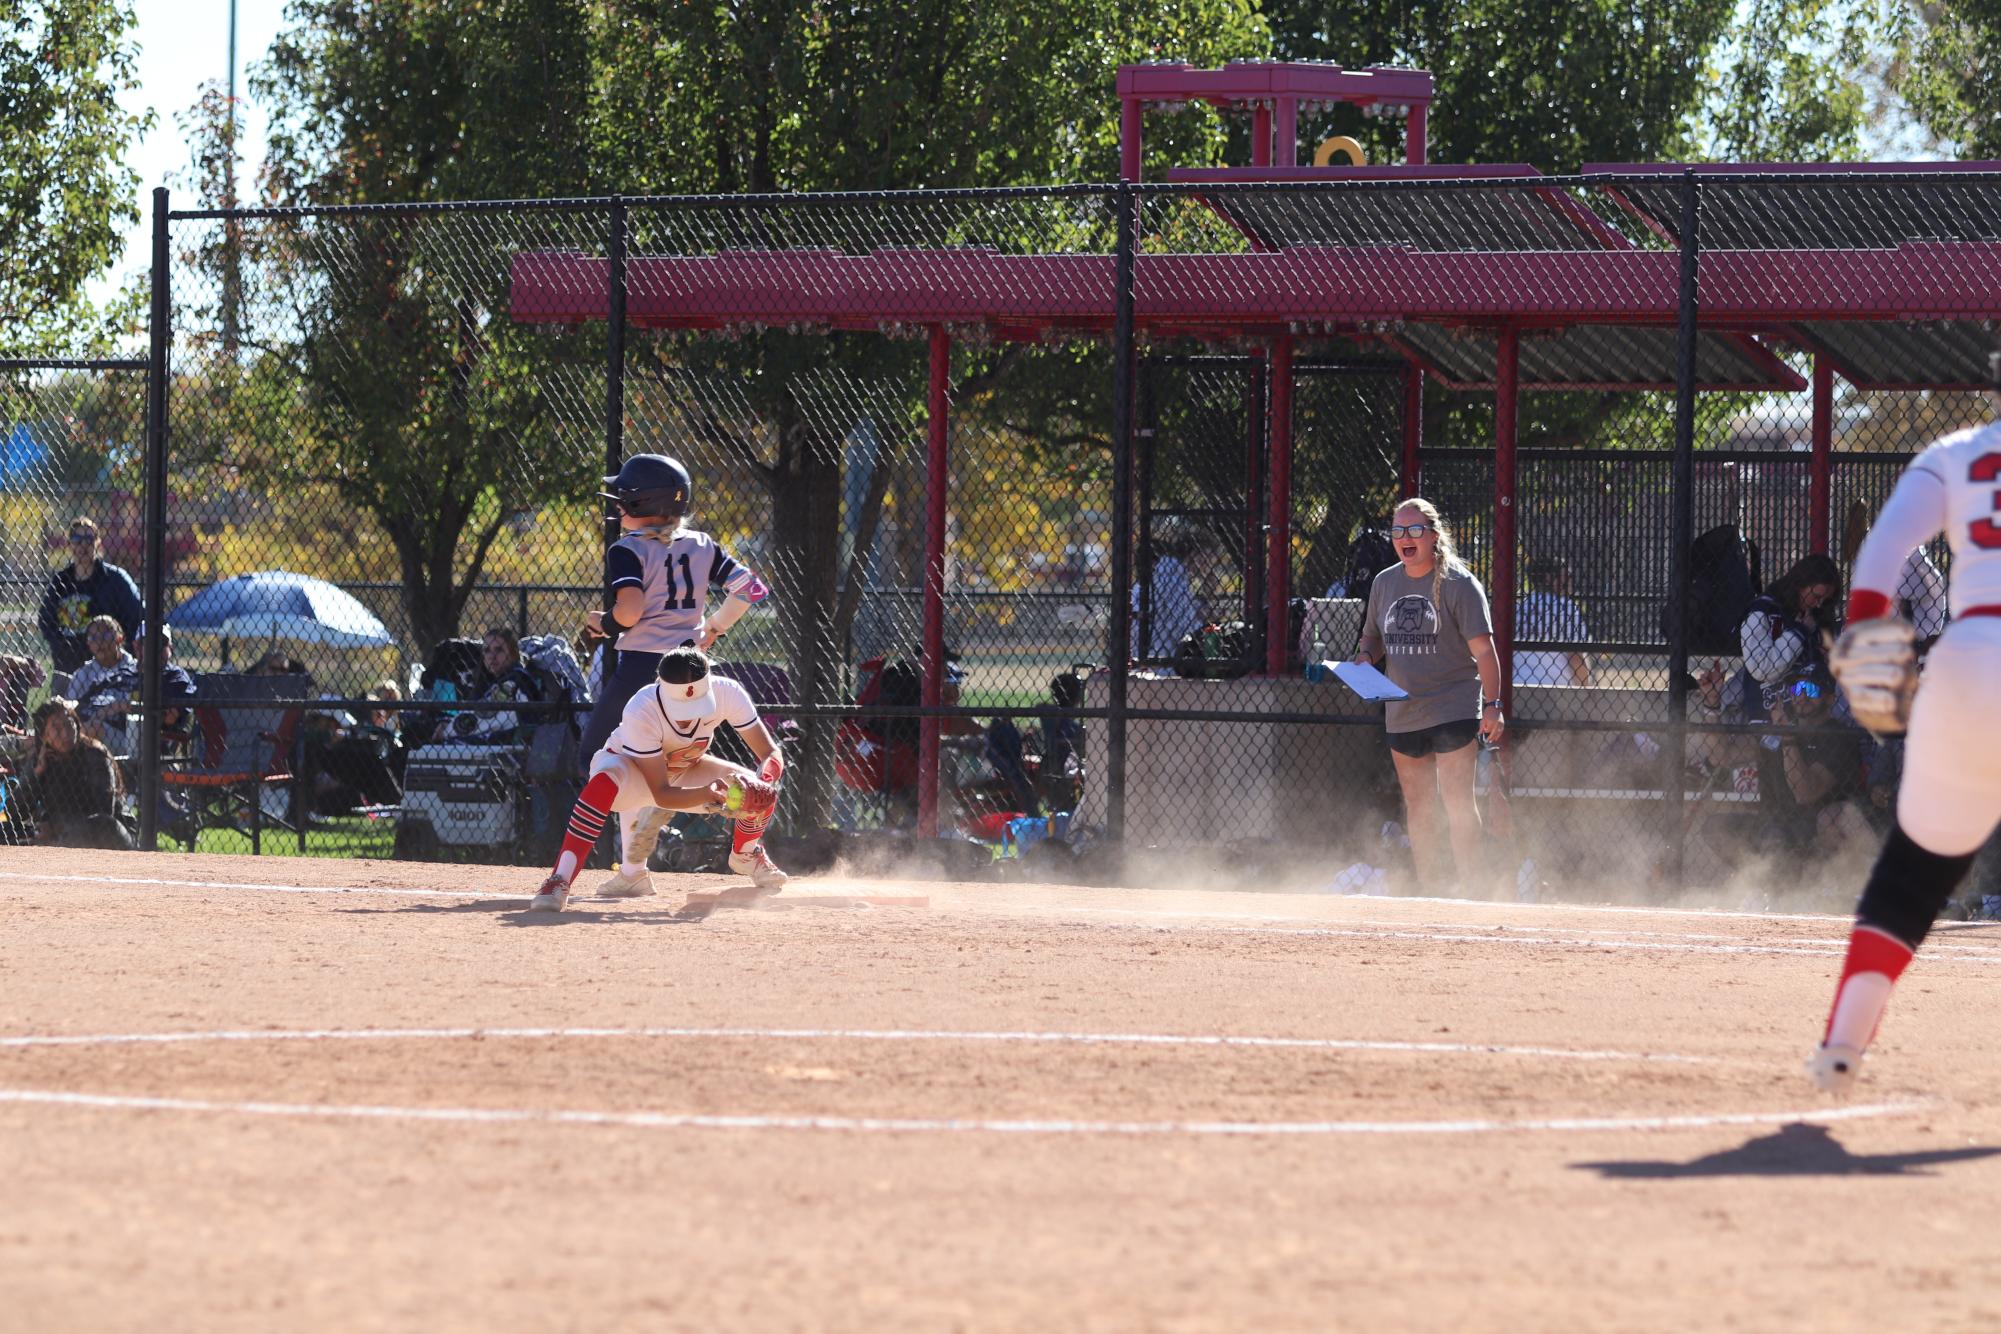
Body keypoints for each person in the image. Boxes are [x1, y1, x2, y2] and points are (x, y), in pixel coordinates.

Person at [1809, 349, 2001, 1093]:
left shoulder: (1955, 454)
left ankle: (1839, 1050)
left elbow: (1883, 548)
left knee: (1913, 877)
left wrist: (1860, 631)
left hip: (1966, 659)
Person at [575, 454, 769, 895]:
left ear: (644, 501)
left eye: (624, 498)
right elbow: (749, 589)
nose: (618, 506)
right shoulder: (702, 544)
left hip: (642, 668)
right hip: (693, 672)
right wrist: (714, 628)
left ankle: (656, 817)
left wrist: (602, 624)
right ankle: (632, 872)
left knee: (602, 758)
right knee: (667, 758)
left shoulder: (628, 548)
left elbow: (630, 611)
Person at [529, 647, 786, 911]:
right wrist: (707, 793)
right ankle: (559, 880)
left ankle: (745, 854)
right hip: (630, 775)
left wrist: (764, 779)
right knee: (604, 782)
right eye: (681, 706)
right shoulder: (642, 707)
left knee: (761, 791)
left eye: (696, 704)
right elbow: (661, 793)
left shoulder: (727, 692)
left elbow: (770, 753)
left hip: (683, 769)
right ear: (660, 687)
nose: (689, 715)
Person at [1352, 498, 1504, 890]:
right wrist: (1366, 656)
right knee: (1419, 807)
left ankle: (1472, 889)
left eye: (1415, 530)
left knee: (1457, 804)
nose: (1405, 537)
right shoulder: (1384, 582)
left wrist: (1493, 705)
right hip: (1402, 710)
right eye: (1398, 531)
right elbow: (1372, 635)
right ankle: (1430, 891)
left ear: (1434, 536)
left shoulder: (1460, 584)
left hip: (1452, 705)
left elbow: (1485, 651)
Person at [1735, 553, 1841, 721]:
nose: (1819, 604)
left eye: (1826, 600)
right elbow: (1762, 668)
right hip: (1767, 715)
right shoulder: (1762, 610)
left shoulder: (1816, 618)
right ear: (1800, 585)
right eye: (1817, 597)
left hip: (1809, 720)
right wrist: (1798, 632)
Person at [38, 517, 143, 680]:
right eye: (76, 539)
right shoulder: (61, 581)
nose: (83, 545)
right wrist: (61, 646)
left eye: (89, 539)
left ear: (98, 543)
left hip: (108, 671)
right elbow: (46, 620)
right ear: (69, 544)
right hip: (68, 668)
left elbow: (137, 616)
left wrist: (120, 648)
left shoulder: (115, 579)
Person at [22, 697, 134, 849]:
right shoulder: (42, 759)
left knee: (102, 822)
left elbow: (104, 812)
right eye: (56, 728)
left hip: (109, 837)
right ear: (44, 736)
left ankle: (55, 848)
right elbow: (14, 811)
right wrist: (36, 774)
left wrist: (55, 828)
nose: (66, 733)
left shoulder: (95, 754)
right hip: (64, 835)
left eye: (69, 723)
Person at [444, 628, 542, 745]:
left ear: (512, 654)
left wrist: (447, 730)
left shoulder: (516, 679)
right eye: (487, 650)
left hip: (512, 743)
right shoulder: (492, 681)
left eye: (499, 650)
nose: (492, 656)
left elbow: (483, 719)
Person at [62, 616, 139, 756]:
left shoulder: (135, 671)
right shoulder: (83, 674)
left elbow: (134, 707)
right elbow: (68, 709)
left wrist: (105, 712)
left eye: (106, 634)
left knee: (92, 728)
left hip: (125, 736)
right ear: (88, 643)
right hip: (83, 730)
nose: (100, 641)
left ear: (120, 638)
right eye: (93, 637)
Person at [1129, 527, 1205, 661]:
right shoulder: (1172, 575)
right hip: (1164, 660)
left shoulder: (1142, 587)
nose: (1205, 564)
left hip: (1142, 655)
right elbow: (1185, 624)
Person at [1512, 557, 1590, 687]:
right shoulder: (1566, 608)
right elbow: (1576, 657)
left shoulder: (1519, 608)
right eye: (1567, 575)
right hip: (1559, 687)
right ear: (1548, 577)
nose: (1570, 580)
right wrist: (1586, 690)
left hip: (1518, 683)